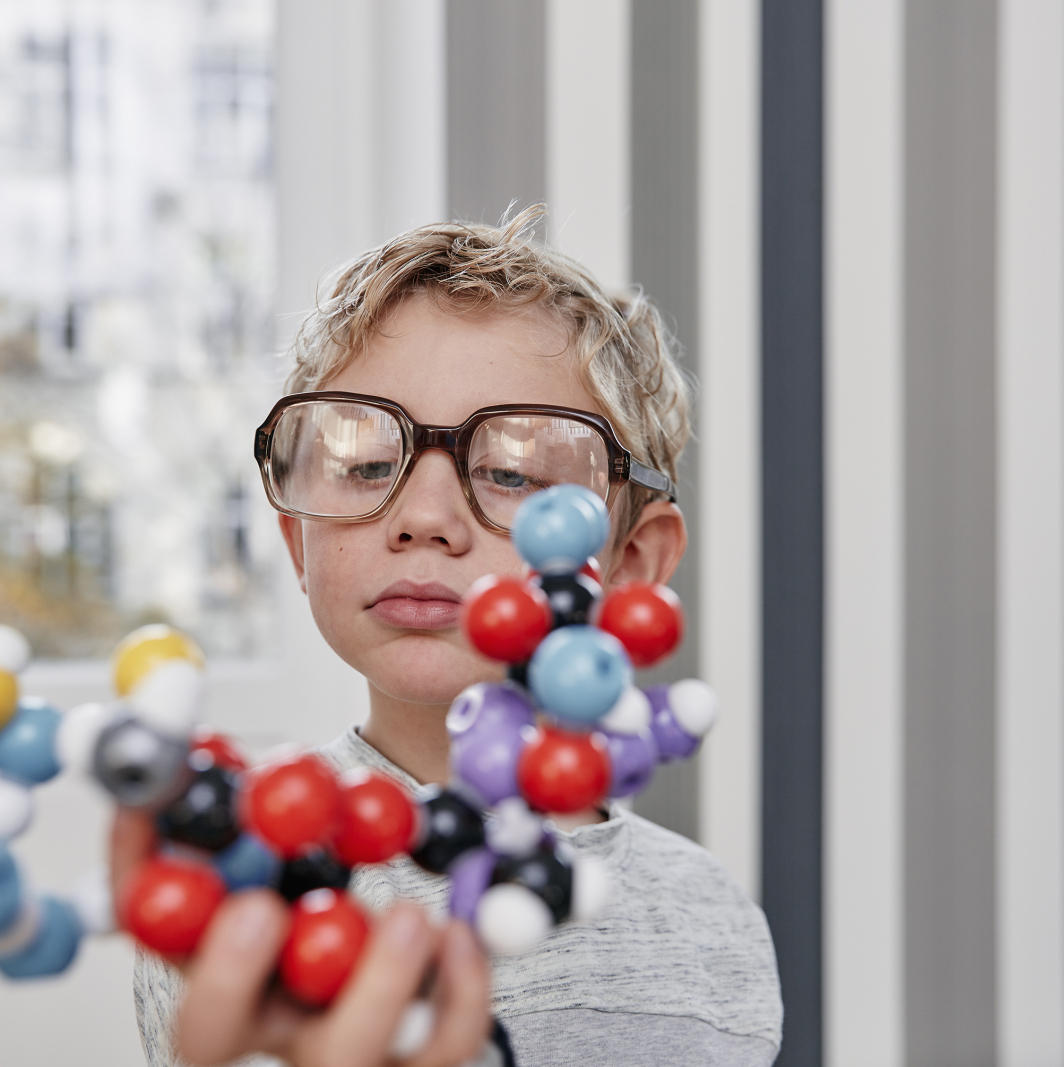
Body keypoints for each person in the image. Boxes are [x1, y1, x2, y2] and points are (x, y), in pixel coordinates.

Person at [114, 206, 783, 1067]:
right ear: (298, 541)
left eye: (512, 471)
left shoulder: (713, 918)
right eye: (366, 465)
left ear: (628, 565)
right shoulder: (248, 880)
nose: (424, 516)